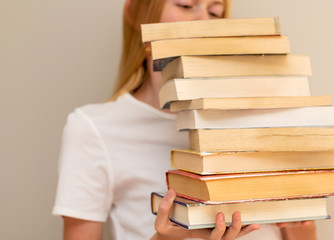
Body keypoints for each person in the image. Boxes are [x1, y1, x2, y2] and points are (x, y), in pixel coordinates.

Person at [52, 0, 317, 239]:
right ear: (136, 12)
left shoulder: (262, 113)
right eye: (186, 5)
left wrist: (292, 207)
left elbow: (301, 231)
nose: (203, 21)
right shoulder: (94, 128)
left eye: (215, 11)